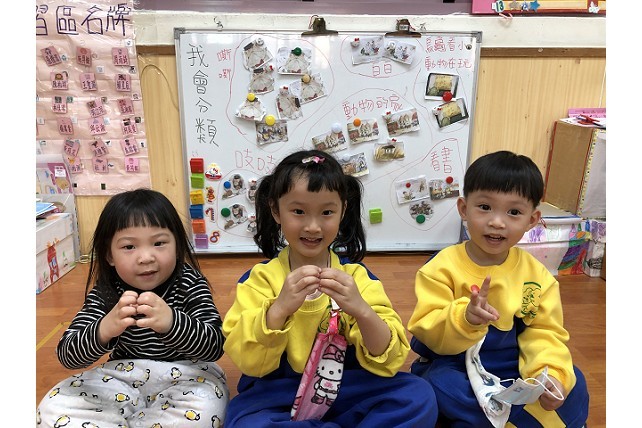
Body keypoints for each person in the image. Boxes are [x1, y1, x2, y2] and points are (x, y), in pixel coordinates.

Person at [222, 149, 437, 427]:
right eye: (298, 212)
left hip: (348, 386)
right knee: (246, 422)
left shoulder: (357, 277)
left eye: (326, 212)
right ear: (276, 210)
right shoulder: (259, 280)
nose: (313, 226)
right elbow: (249, 362)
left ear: (342, 211)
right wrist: (278, 310)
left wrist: (362, 311)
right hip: (279, 392)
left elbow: (389, 360)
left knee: (418, 395)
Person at [407, 151, 589, 427]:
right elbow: (427, 330)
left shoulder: (537, 275)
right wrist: (464, 318)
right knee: (439, 386)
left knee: (574, 381)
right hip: (455, 364)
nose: (497, 222)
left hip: (514, 362)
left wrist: (549, 373)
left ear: (532, 220)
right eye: (484, 207)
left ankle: (507, 415)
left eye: (514, 212)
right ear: (463, 208)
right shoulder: (440, 268)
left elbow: (544, 332)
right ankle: (513, 416)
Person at [37, 189, 229, 428]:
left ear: (178, 246)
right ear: (109, 255)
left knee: (205, 408)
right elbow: (68, 355)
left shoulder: (189, 283)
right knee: (52, 408)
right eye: (129, 247)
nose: (146, 257)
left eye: (159, 243)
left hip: (188, 376)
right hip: (122, 376)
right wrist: (104, 329)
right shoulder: (107, 292)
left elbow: (214, 347)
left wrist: (173, 323)